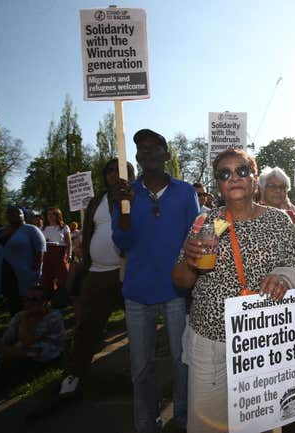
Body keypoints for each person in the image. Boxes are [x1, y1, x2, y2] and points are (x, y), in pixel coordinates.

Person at [171, 147, 295, 433]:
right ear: (218, 184)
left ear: (254, 178)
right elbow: (180, 281)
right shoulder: (204, 222)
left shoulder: (279, 220)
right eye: (225, 173)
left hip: (264, 341)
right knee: (207, 424)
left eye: (242, 171)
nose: (233, 177)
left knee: (260, 422)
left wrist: (284, 279)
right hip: (211, 340)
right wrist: (190, 261)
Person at [113, 129, 199, 433]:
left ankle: (183, 419)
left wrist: (193, 283)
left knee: (182, 361)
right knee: (141, 369)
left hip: (176, 291)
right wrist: (125, 209)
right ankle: (146, 423)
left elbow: (196, 238)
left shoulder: (185, 192)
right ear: (136, 157)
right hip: (137, 293)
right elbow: (121, 240)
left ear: (166, 154)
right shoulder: (125, 195)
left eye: (154, 147)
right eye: (141, 149)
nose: (147, 153)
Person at [58, 159, 136, 398]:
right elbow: (90, 230)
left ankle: (139, 372)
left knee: (137, 325)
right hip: (98, 272)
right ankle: (75, 373)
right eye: (109, 171)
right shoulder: (96, 201)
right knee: (87, 326)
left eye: (121, 170)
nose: (114, 174)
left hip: (129, 272)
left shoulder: (138, 196)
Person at [0, 206, 46, 316]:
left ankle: (31, 323)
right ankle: (16, 322)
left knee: (27, 299)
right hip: (4, 270)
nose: (13, 215)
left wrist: (36, 268)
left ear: (23, 215)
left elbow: (40, 249)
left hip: (24, 271)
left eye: (17, 213)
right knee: (11, 298)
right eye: (9, 213)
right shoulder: (0, 231)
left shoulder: (31, 229)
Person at [0, 285, 65, 364]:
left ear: (45, 301)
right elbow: (5, 339)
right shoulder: (19, 316)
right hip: (26, 348)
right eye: (26, 299)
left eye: (34, 299)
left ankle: (11, 356)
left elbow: (26, 340)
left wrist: (25, 318)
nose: (29, 302)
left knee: (35, 351)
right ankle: (12, 355)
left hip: (48, 350)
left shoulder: (53, 316)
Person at [40, 207, 72, 303]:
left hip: (60, 254)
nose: (50, 216)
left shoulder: (64, 227)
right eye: (48, 214)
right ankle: (49, 299)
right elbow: (40, 243)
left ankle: (65, 298)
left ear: (57, 215)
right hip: (47, 254)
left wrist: (69, 255)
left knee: (63, 277)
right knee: (47, 277)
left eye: (53, 214)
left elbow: (69, 244)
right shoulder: (43, 228)